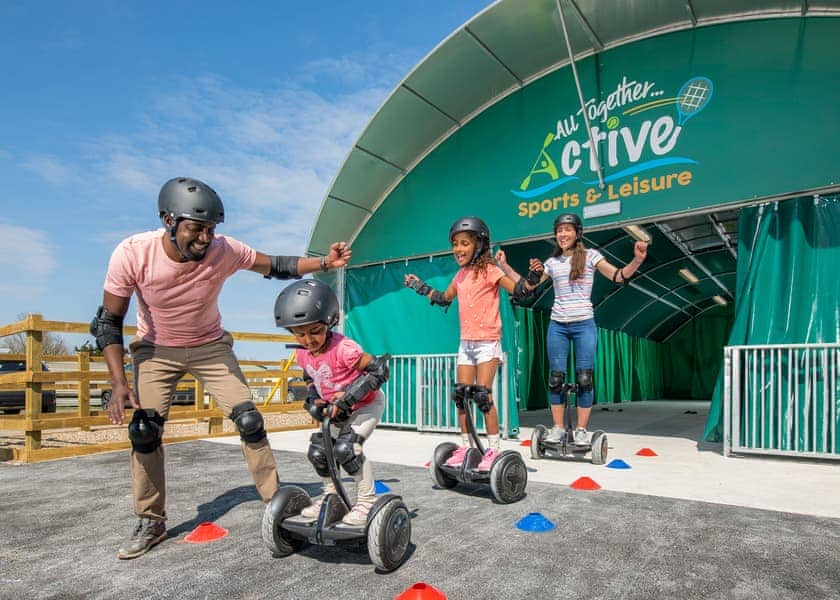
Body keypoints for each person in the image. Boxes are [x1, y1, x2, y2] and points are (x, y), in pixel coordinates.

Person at [91, 176, 352, 559]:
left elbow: (275, 265)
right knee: (145, 430)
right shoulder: (132, 254)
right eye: (196, 229)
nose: (204, 239)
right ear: (168, 220)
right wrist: (118, 382)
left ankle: (278, 505)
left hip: (211, 346)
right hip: (156, 350)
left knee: (249, 420)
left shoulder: (223, 250)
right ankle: (151, 519)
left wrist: (325, 262)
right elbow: (107, 323)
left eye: (211, 230)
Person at [497, 212, 647, 445]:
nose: (563, 234)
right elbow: (525, 289)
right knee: (556, 378)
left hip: (584, 323)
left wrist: (637, 260)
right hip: (558, 324)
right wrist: (505, 265)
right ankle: (557, 428)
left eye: (567, 230)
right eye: (559, 231)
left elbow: (618, 277)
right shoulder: (552, 263)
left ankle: (581, 430)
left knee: (584, 378)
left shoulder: (591, 256)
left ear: (578, 233)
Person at [404, 216, 530, 472]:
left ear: (479, 245)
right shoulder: (460, 276)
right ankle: (465, 447)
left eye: (464, 243)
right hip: (466, 344)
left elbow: (518, 291)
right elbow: (442, 298)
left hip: (488, 343)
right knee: (461, 397)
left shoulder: (492, 271)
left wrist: (527, 277)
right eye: (455, 244)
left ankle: (493, 449)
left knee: (483, 397)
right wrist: (419, 286)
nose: (458, 249)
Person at [273, 279, 389, 526]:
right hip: (335, 411)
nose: (308, 340)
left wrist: (347, 397)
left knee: (348, 450)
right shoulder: (301, 353)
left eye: (314, 331)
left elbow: (379, 371)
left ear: (329, 321)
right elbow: (309, 377)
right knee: (319, 453)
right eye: (300, 333)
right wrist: (314, 399)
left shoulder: (345, 349)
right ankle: (331, 497)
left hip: (366, 406)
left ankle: (366, 502)